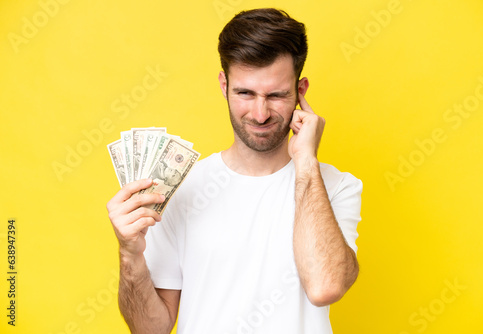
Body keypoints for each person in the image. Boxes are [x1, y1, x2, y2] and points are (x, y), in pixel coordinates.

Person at [106, 8, 362, 334]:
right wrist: (129, 254)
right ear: (224, 85)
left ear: (300, 91)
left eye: (277, 95)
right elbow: (150, 330)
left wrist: (307, 162)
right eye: (245, 93)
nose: (259, 113)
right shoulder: (180, 188)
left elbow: (326, 286)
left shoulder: (337, 187)